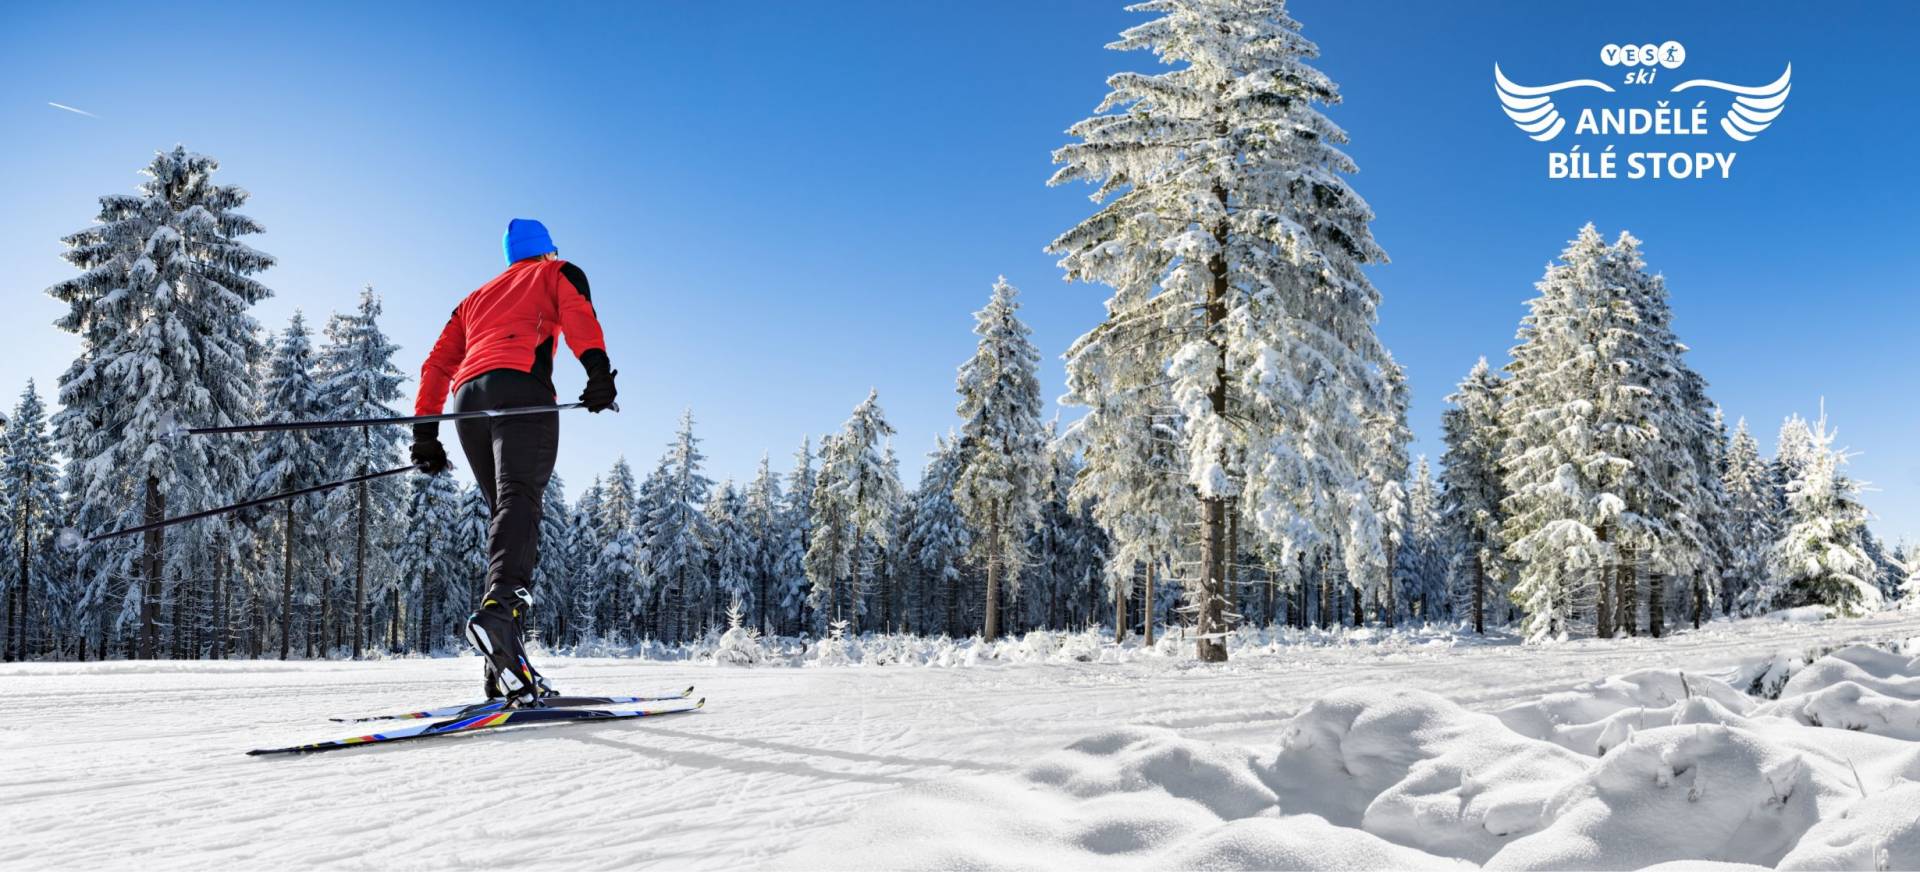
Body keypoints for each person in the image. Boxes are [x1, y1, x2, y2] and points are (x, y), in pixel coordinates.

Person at [411, 218, 618, 705]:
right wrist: (598, 374)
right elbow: (579, 316)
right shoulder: (556, 272)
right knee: (519, 503)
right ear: (546, 251)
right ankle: (501, 613)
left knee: (507, 518)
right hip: (521, 389)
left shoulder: (474, 299)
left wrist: (425, 434)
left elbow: (436, 363)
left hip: (468, 401)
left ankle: (504, 668)